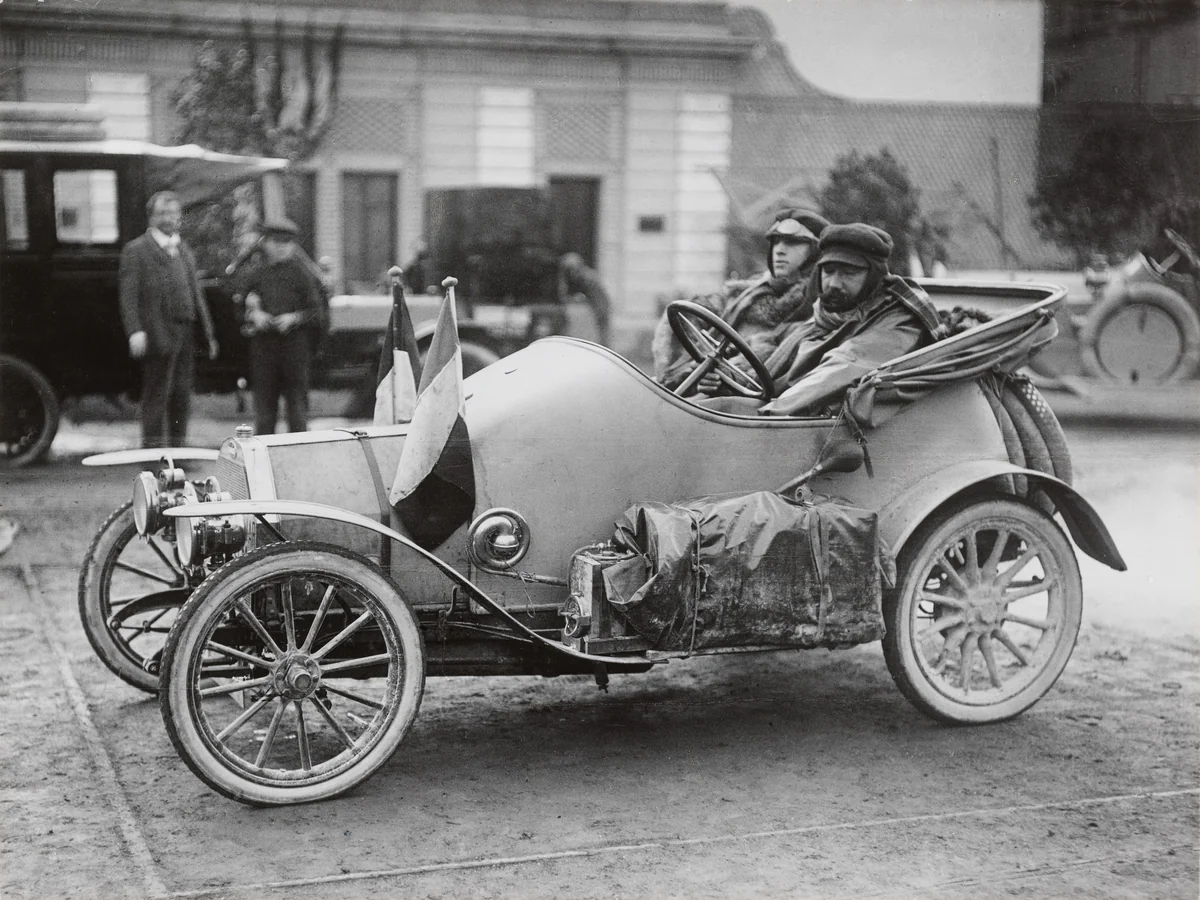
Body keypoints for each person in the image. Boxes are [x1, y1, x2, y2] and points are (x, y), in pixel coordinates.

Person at [756, 223, 942, 416]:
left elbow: (846, 365)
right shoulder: (826, 316)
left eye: (849, 273)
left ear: (874, 276)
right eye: (828, 271)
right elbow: (772, 347)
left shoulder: (899, 319)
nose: (835, 283)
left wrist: (769, 412)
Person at [652, 208, 829, 390]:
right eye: (776, 242)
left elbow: (777, 361)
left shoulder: (817, 308)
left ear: (815, 251)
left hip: (747, 399)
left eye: (793, 243)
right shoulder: (743, 294)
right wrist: (689, 368)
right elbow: (686, 317)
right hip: (699, 384)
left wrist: (720, 375)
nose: (779, 251)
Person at [118, 190, 219, 448]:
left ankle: (179, 453)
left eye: (174, 213)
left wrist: (208, 333)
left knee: (181, 395)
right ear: (152, 217)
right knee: (157, 395)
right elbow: (128, 296)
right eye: (163, 213)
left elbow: (196, 294)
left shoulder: (182, 249)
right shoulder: (137, 250)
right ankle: (152, 458)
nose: (170, 218)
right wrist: (135, 331)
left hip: (186, 332)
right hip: (157, 333)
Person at [242, 217, 324, 435]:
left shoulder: (303, 275)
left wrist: (294, 318)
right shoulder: (256, 274)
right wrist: (254, 314)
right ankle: (262, 460)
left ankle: (297, 458)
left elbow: (317, 313)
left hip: (295, 350)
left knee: (297, 409)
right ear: (265, 243)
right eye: (275, 242)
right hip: (264, 349)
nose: (280, 248)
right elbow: (239, 306)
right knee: (264, 411)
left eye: (286, 243)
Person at [557, 252, 612, 346]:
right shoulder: (580, 276)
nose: (569, 273)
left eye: (570, 269)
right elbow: (564, 294)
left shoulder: (587, 277)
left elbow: (596, 298)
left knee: (600, 334)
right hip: (594, 307)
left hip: (599, 306)